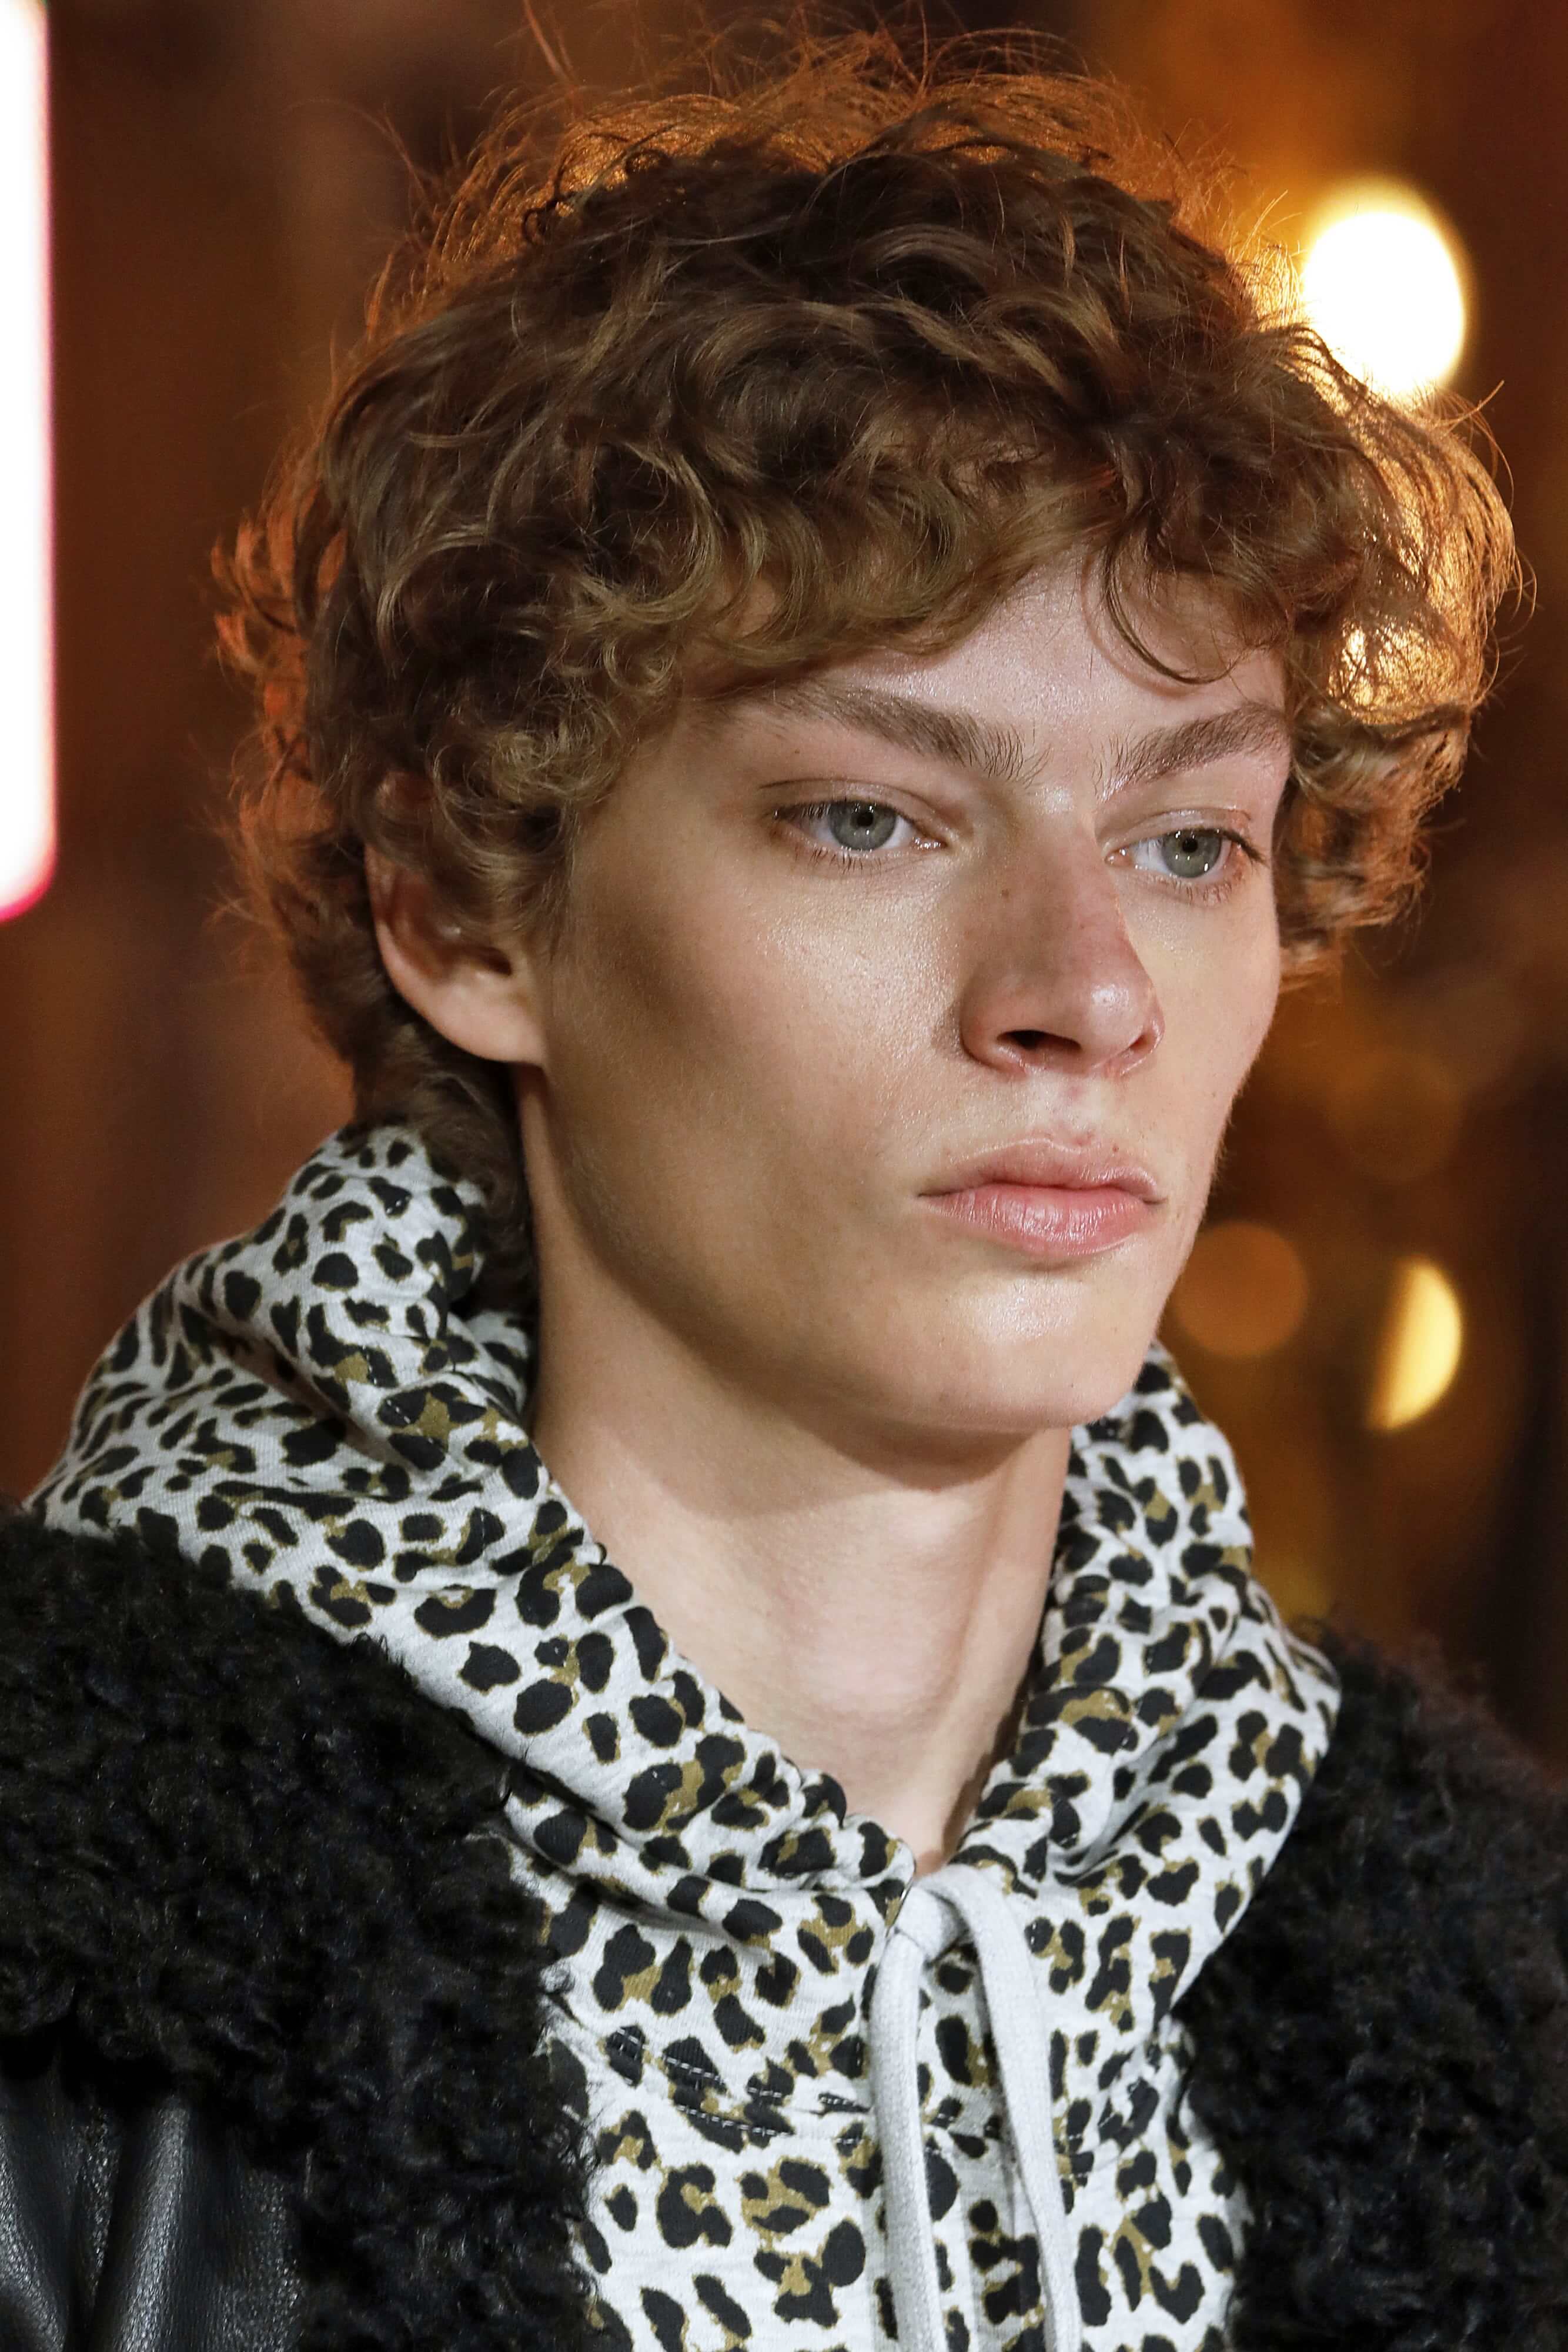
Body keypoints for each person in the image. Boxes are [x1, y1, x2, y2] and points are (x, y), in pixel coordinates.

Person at [2, 30, 1563, 2352]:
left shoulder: (1465, 1988)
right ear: (464, 905)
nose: (1081, 994)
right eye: (868, 817)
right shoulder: (75, 1959)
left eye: (1184, 842)